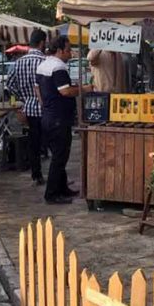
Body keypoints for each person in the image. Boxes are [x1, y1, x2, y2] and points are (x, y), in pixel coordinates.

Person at [36, 36, 93, 204]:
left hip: (48, 115)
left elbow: (37, 89)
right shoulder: (58, 67)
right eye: (68, 50)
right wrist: (85, 89)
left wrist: (46, 106)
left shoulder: (43, 66)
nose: (70, 54)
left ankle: (62, 188)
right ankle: (52, 194)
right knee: (60, 156)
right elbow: (66, 91)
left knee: (58, 155)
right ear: (59, 50)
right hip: (58, 118)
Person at [7, 29, 47, 185]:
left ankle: (36, 174)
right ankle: (55, 176)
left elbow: (10, 85)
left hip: (28, 108)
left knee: (34, 143)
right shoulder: (44, 61)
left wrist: (21, 99)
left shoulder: (18, 63)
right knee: (52, 143)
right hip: (45, 108)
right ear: (42, 43)